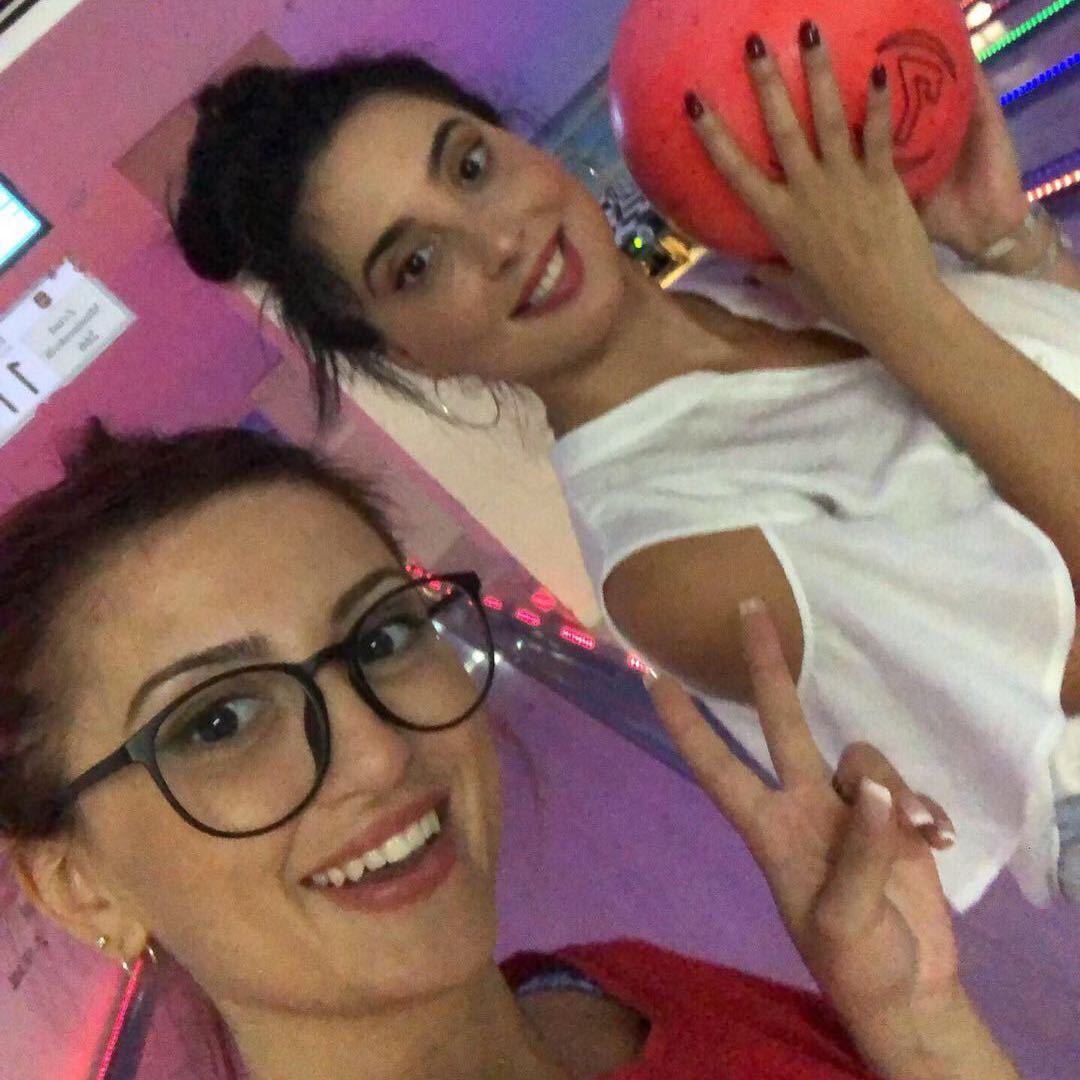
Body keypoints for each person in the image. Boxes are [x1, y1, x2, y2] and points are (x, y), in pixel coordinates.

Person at [171, 27, 1080, 909]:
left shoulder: (759, 276)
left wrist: (1006, 242)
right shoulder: (668, 557)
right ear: (407, 354)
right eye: (416, 264)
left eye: (472, 167)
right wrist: (904, 309)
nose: (497, 241)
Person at [0, 421, 1022, 1080]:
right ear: (81, 887)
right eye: (219, 722)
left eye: (383, 639)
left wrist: (917, 1025)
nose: (376, 754)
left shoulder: (629, 993)